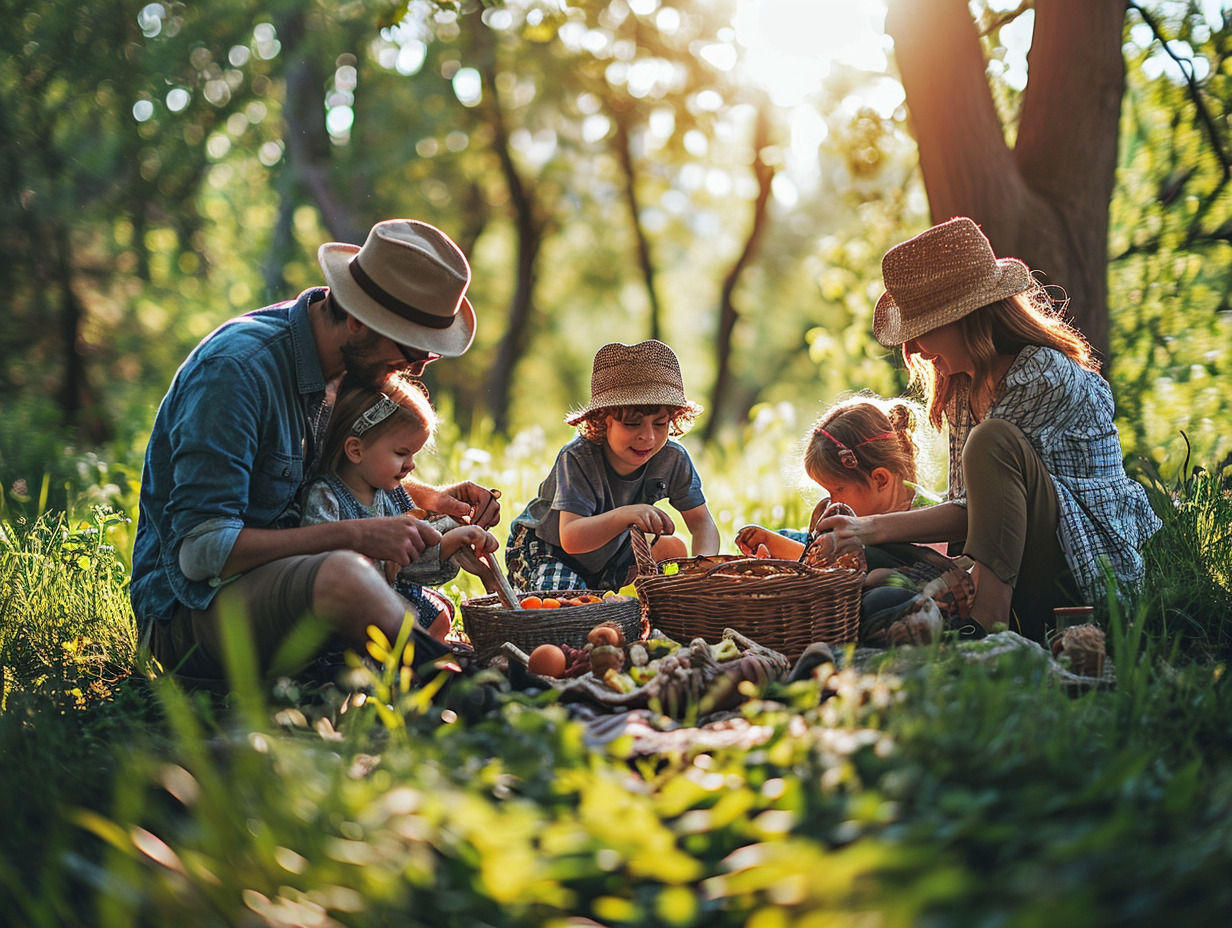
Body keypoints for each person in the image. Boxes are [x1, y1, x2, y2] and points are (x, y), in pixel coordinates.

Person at [130, 218, 501, 682]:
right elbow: (202, 552)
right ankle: (458, 689)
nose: (416, 368)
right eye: (410, 348)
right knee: (346, 577)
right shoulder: (236, 373)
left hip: (283, 589)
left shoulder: (348, 367)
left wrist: (433, 499)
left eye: (429, 354)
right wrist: (355, 535)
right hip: (192, 617)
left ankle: (435, 671)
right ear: (355, 319)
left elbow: (325, 471)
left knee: (422, 602)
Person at [816, 216, 1161, 642]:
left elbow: (973, 514)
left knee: (990, 440)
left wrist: (870, 527)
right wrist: (863, 530)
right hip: (1009, 564)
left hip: (1080, 569)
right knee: (876, 597)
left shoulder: (1041, 374)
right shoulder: (965, 382)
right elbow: (969, 509)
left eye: (922, 330)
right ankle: (953, 609)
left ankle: (986, 628)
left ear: (966, 317)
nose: (914, 349)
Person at [299, 370, 500, 642]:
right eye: (401, 453)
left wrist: (451, 540)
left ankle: (415, 664)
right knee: (404, 619)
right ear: (356, 450)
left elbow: (409, 563)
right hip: (347, 605)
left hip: (389, 593)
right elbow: (317, 564)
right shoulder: (326, 495)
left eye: (413, 454)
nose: (411, 465)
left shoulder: (388, 495)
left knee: (439, 612)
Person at [505, 339, 721, 591]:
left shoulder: (672, 458)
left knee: (673, 558)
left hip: (612, 553)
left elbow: (702, 523)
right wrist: (627, 514)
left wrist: (703, 569)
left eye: (660, 424)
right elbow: (571, 538)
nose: (648, 437)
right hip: (550, 551)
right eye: (632, 424)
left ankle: (659, 604)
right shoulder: (577, 458)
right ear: (603, 420)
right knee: (567, 608)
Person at [734, 395, 938, 561]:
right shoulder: (861, 510)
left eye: (839, 490)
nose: (833, 502)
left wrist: (778, 545)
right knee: (790, 536)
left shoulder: (927, 523)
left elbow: (853, 564)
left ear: (880, 480)